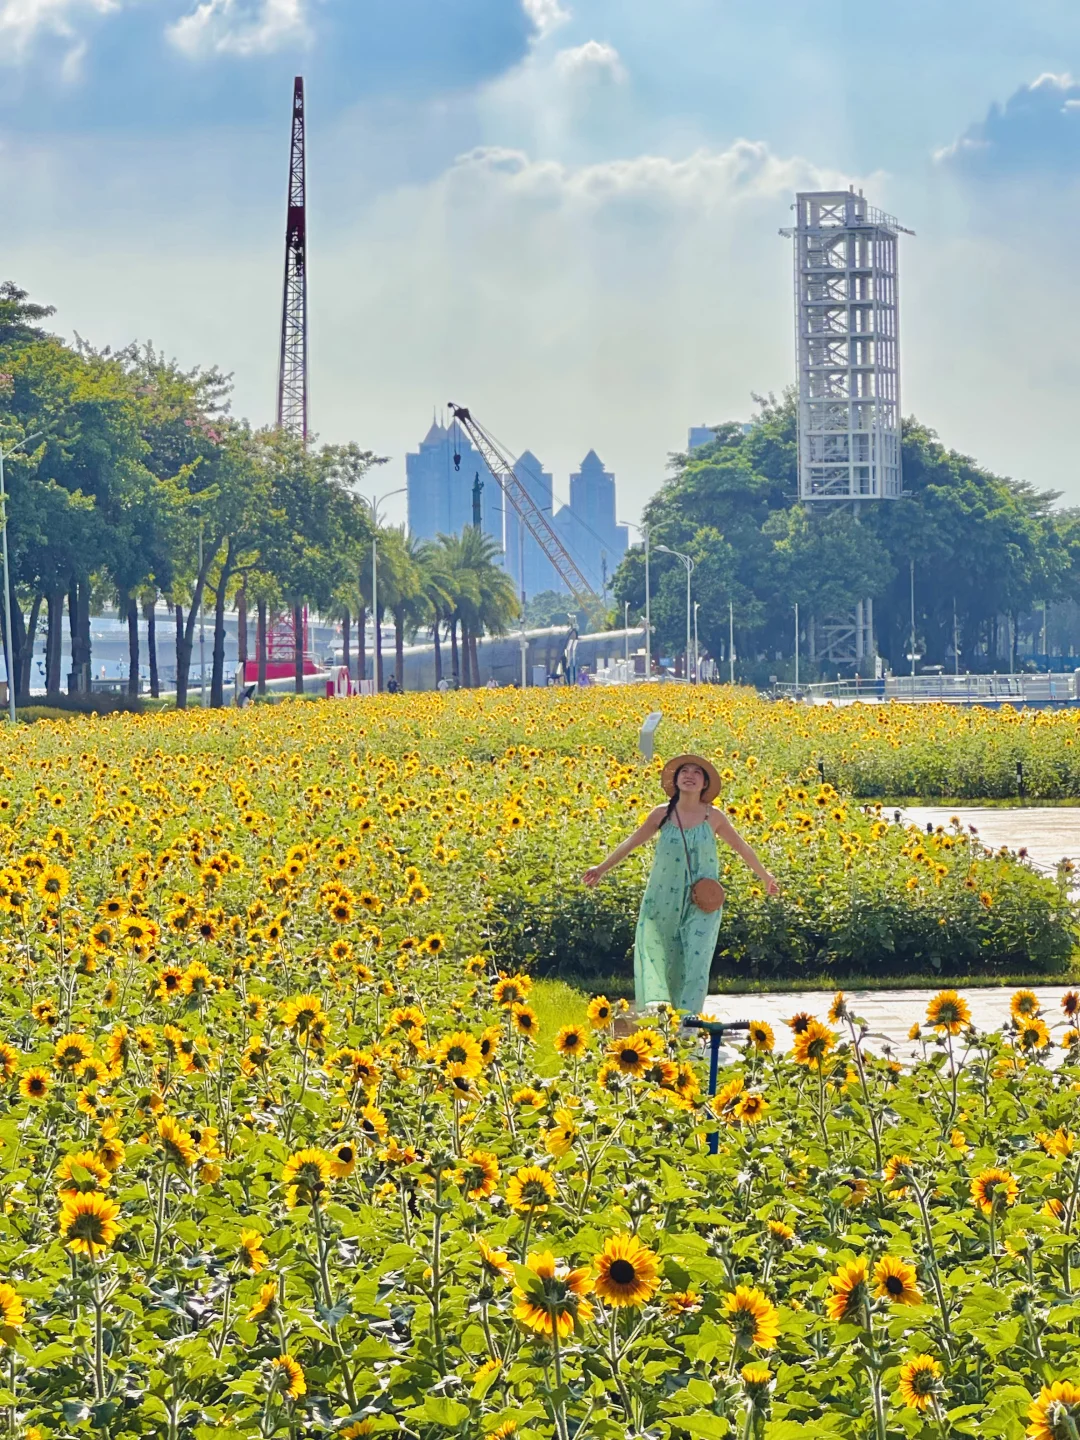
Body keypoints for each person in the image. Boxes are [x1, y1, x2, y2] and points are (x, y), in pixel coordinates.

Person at [582, 754, 778, 1017]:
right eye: (684, 771)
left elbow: (741, 846)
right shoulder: (661, 814)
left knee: (697, 958)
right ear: (675, 780)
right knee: (667, 955)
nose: (689, 776)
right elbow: (631, 842)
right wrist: (601, 868)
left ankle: (689, 1019)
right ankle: (669, 1015)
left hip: (703, 900)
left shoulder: (713, 816)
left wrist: (765, 876)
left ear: (705, 784)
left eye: (697, 772)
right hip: (663, 897)